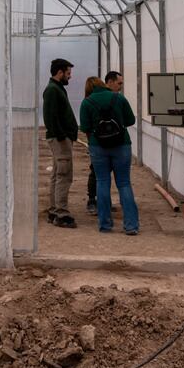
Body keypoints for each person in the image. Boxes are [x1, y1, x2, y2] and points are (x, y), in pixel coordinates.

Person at [79, 75, 140, 235]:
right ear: (103, 84)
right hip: (121, 145)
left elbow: (84, 126)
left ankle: (105, 225)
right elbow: (130, 121)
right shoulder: (118, 98)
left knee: (102, 182)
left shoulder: (86, 102)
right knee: (124, 183)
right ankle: (131, 226)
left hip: (98, 146)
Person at [42, 58, 79, 227]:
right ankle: (61, 213)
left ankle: (54, 209)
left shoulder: (57, 89)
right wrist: (62, 136)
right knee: (64, 175)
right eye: (68, 73)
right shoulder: (52, 90)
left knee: (58, 174)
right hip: (60, 140)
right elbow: (50, 117)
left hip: (61, 138)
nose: (70, 77)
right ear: (60, 72)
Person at [81, 77, 107, 214]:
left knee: (96, 172)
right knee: (105, 175)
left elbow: (85, 127)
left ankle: (93, 200)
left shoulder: (87, 102)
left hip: (96, 143)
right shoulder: (115, 98)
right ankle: (100, 201)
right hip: (113, 143)